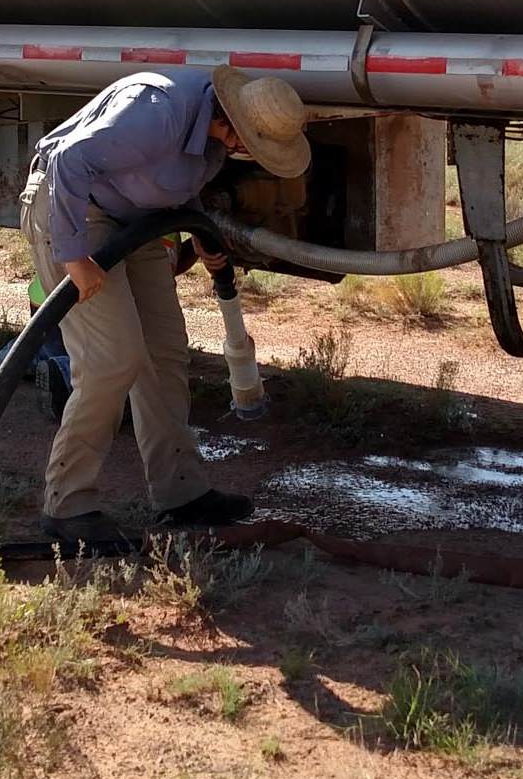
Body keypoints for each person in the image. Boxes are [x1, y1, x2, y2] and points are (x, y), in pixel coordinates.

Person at [21, 64, 311, 544]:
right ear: (232, 123)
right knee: (113, 360)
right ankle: (67, 505)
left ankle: (181, 493)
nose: (248, 154)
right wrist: (75, 259)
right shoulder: (156, 112)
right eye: (251, 144)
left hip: (137, 222)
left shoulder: (214, 141)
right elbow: (69, 162)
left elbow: (175, 182)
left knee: (165, 353)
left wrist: (198, 231)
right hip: (74, 212)